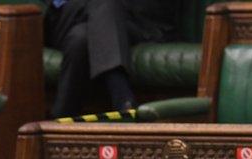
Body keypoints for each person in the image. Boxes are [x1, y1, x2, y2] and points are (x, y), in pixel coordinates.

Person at [44, 0, 176, 118]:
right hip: (66, 14)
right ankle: (122, 98)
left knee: (81, 38)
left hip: (133, 20)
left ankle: (61, 117)